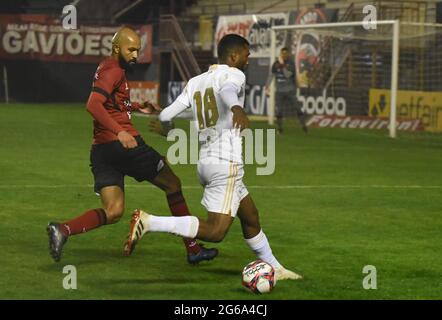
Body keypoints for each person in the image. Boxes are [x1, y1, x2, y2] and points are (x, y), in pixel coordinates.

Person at [124, 34, 302, 281]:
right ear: (233, 56)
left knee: (250, 217)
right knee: (217, 231)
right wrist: (236, 107)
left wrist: (165, 123)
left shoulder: (196, 81)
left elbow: (166, 116)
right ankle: (150, 221)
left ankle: (276, 268)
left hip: (206, 164)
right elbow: (229, 91)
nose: (248, 60)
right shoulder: (234, 74)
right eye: (247, 54)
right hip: (225, 163)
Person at [46, 27, 218, 265]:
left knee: (114, 211)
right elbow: (93, 104)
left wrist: (136, 107)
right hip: (125, 146)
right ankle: (193, 248)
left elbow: (111, 103)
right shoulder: (114, 69)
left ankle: (63, 229)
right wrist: (121, 131)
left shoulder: (109, 68)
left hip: (102, 150)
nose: (135, 54)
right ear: (117, 48)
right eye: (131, 49)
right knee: (173, 184)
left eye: (138, 49)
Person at [265, 47, 308, 134]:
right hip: (279, 91)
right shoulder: (276, 64)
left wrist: (282, 65)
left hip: (290, 90)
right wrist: (267, 86)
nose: (284, 55)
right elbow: (271, 75)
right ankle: (280, 129)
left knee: (297, 108)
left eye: (285, 54)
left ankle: (304, 126)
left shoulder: (291, 63)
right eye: (282, 54)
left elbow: (288, 75)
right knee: (279, 110)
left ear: (288, 55)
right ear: (280, 54)